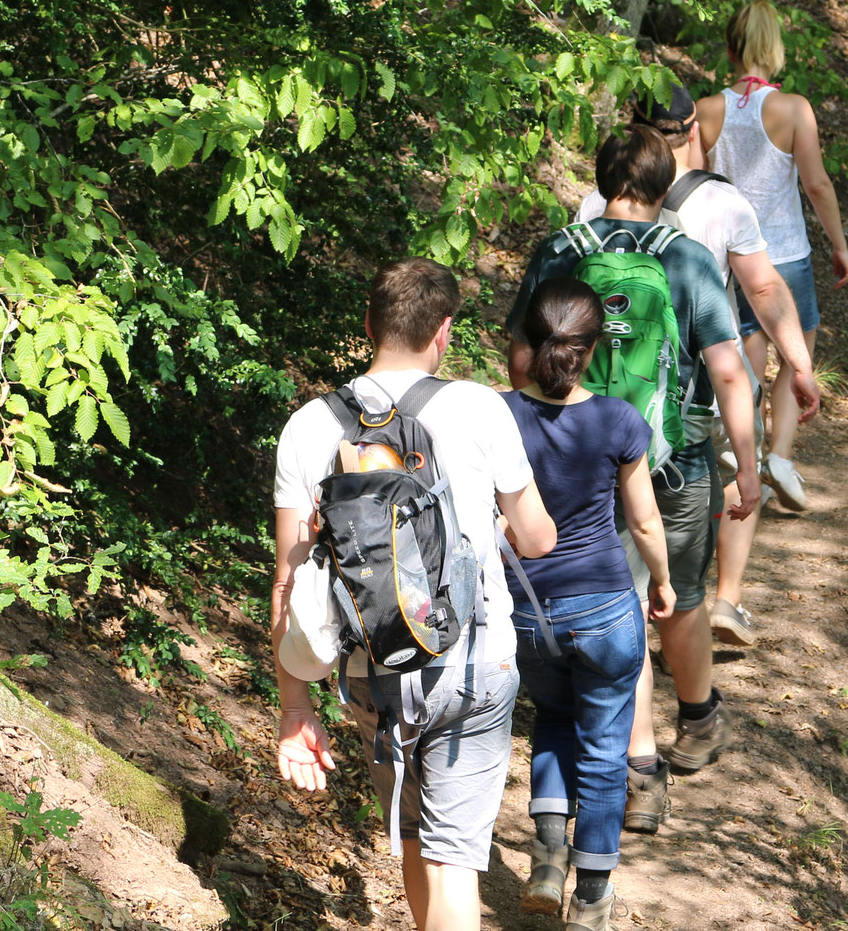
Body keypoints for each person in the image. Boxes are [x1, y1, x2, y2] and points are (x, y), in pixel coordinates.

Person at [270, 259, 558, 931]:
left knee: (412, 841)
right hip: (472, 661)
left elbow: (287, 577)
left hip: (373, 666)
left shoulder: (309, 426)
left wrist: (294, 706)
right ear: (445, 332)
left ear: (369, 324)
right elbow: (537, 535)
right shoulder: (481, 407)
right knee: (453, 861)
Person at [509, 125, 759, 837]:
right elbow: (730, 368)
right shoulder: (687, 260)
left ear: (600, 177)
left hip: (577, 457)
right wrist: (747, 463)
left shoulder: (559, 251)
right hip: (671, 459)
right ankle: (688, 728)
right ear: (664, 183)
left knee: (616, 599)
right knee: (671, 594)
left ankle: (641, 763)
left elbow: (521, 361)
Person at [580, 84, 822, 647]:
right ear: (694, 132)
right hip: (703, 388)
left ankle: (627, 616)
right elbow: (762, 288)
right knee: (737, 478)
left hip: (612, 387)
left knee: (623, 505)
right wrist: (799, 362)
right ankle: (724, 602)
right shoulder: (724, 201)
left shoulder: (598, 203)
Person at [505, 279, 676, 931]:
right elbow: (646, 521)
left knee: (552, 714)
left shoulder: (500, 415)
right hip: (605, 607)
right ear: (592, 348)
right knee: (605, 747)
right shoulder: (616, 420)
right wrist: (662, 581)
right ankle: (591, 896)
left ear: (528, 342)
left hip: (531, 612)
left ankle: (548, 857)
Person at [696, 0, 848, 516]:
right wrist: (839, 244)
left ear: (731, 47)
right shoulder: (794, 110)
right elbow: (817, 183)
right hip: (784, 254)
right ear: (774, 47)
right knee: (796, 355)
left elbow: (695, 188)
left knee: (747, 355)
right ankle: (779, 457)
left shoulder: (707, 110)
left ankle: (745, 452)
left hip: (727, 258)